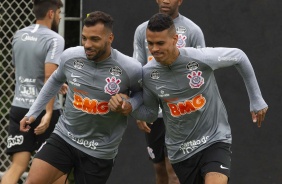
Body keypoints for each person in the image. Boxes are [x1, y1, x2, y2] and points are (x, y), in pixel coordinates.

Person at [109, 13, 268, 184]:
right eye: (150, 43)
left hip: (214, 140)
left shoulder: (200, 58)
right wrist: (129, 108)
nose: (154, 49)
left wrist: (256, 99)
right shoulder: (148, 74)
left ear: (175, 39)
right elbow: (150, 113)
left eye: (160, 43)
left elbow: (238, 56)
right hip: (180, 152)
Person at [19, 11, 142, 184]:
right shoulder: (70, 56)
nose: (87, 44)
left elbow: (141, 95)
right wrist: (33, 112)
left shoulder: (130, 68)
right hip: (65, 137)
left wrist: (129, 104)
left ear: (110, 38)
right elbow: (54, 80)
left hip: (99, 150)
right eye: (84, 38)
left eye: (95, 39)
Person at [132, 0, 205, 183]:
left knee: (174, 171)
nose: (165, 0)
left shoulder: (193, 31)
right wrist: (138, 108)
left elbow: (202, 71)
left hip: (181, 111)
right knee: (160, 170)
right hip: (153, 112)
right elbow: (137, 70)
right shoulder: (142, 30)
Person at [1, 0, 67, 184]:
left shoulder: (18, 35)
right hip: (45, 111)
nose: (60, 17)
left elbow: (21, 71)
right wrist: (47, 112)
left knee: (17, 167)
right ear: (51, 14)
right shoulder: (55, 39)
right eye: (60, 13)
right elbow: (48, 76)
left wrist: (57, 84)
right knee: (57, 171)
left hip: (19, 108)